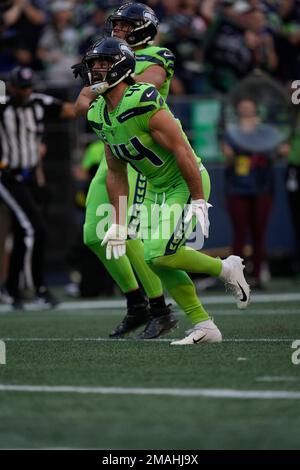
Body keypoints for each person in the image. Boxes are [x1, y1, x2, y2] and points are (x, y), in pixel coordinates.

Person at [79, 36, 251, 345]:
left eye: (103, 64)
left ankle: (225, 269)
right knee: (156, 257)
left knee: (159, 252)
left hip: (183, 181)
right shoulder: (97, 114)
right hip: (155, 186)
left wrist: (198, 197)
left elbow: (182, 149)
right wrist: (118, 221)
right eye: (93, 65)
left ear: (121, 66)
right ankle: (205, 324)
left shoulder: (142, 98)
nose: (96, 71)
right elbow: (116, 172)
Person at [73, 2, 177, 339]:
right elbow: (81, 105)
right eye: (116, 25)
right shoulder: (106, 57)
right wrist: (104, 75)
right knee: (94, 234)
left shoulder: (159, 54)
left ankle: (161, 309)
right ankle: (137, 305)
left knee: (127, 230)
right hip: (112, 147)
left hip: (139, 150)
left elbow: (140, 86)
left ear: (144, 27)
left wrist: (105, 78)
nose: (118, 31)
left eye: (126, 25)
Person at [0, 65, 75, 309]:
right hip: (7, 176)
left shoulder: (39, 102)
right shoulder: (3, 106)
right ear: (11, 87)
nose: (26, 92)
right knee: (34, 228)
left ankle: (12, 289)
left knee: (27, 232)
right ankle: (37, 288)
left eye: (29, 87)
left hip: (31, 176)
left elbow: (71, 110)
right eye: (21, 88)